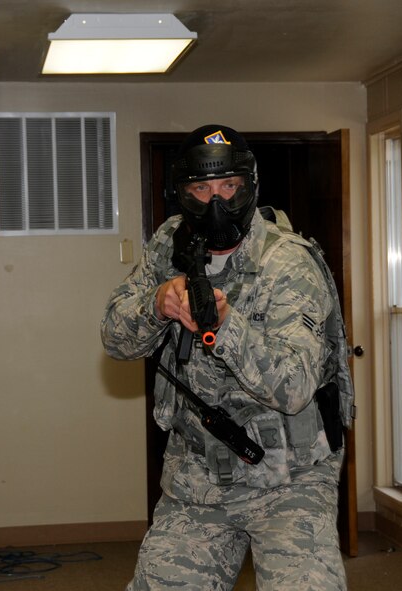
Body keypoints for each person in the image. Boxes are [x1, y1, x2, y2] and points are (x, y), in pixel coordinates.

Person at [101, 124, 349, 590]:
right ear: (183, 193)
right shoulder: (168, 243)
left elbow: (295, 387)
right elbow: (115, 339)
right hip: (197, 473)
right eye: (201, 188)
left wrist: (225, 323)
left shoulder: (288, 261)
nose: (216, 203)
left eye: (228, 187)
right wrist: (157, 305)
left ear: (248, 187)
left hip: (288, 477)